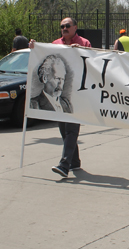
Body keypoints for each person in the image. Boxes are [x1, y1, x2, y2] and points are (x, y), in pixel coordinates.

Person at [29, 17, 91, 178]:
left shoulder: (84, 43)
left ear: (75, 27)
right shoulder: (55, 44)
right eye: (62, 26)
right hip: (60, 97)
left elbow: (93, 64)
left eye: (68, 26)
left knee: (71, 130)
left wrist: (83, 52)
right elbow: (42, 55)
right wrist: (34, 47)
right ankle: (75, 162)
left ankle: (64, 165)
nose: (64, 28)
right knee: (64, 130)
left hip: (77, 95)